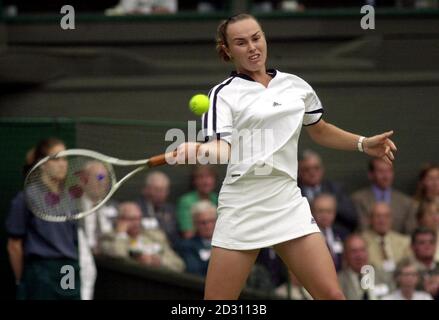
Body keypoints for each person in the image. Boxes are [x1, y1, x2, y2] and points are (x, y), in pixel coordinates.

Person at [175, 13, 397, 300]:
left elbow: (320, 130)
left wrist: (363, 144)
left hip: (287, 202)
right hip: (243, 207)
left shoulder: (296, 86)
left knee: (333, 295)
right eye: (241, 43)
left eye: (256, 38)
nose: (252, 47)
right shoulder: (222, 95)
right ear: (228, 50)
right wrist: (198, 149)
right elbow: (223, 148)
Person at [6, 138, 81, 300]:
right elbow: (14, 245)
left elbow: (74, 240)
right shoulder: (26, 198)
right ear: (43, 163)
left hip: (68, 269)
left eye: (65, 158)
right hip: (41, 271)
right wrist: (21, 280)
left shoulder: (70, 199)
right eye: (56, 159)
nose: (62, 164)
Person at [98, 202, 185, 273]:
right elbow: (119, 255)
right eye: (131, 219)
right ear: (120, 220)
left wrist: (159, 262)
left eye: (139, 218)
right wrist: (121, 234)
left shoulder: (154, 236)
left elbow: (179, 264)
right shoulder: (109, 238)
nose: (136, 223)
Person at [352, 157, 417, 234]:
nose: (386, 176)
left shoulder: (406, 202)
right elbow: (360, 229)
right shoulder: (358, 199)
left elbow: (410, 233)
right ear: (371, 175)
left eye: (389, 171)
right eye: (381, 171)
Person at [298, 150, 358, 232]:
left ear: (322, 169)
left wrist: (330, 206)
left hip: (335, 234)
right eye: (306, 169)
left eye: (316, 168)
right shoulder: (294, 191)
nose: (312, 173)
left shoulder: (335, 189)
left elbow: (351, 217)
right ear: (299, 172)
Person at [338, 234, 394, 300]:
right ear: (345, 255)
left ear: (367, 252)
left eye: (362, 250)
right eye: (354, 251)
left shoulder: (384, 276)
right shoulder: (338, 281)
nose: (359, 256)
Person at [361, 202, 411, 274]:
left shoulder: (404, 242)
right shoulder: (361, 241)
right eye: (378, 216)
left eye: (386, 216)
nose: (382, 220)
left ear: (391, 219)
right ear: (370, 219)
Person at [137, 171, 180, 248]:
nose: (160, 194)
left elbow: (175, 235)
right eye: (157, 190)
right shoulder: (137, 209)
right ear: (146, 190)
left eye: (164, 190)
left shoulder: (171, 210)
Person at [176, 200, 217, 277]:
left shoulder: (225, 245)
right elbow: (194, 271)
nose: (208, 226)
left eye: (211, 221)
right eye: (203, 223)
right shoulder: (186, 245)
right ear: (195, 224)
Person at [177, 165, 218, 239]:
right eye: (201, 177)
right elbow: (188, 234)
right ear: (194, 181)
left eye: (209, 177)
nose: (205, 181)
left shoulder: (218, 199)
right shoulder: (186, 201)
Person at [311, 193, 348, 271]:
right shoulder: (309, 236)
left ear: (334, 213)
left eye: (329, 211)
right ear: (312, 212)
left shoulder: (342, 233)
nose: (325, 215)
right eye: (320, 211)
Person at [410, 227, 439, 299]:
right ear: (412, 247)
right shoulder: (405, 268)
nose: (427, 246)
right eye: (422, 243)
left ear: (436, 246)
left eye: (431, 242)